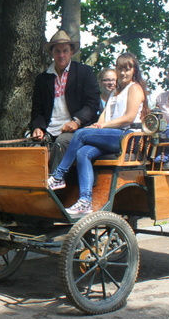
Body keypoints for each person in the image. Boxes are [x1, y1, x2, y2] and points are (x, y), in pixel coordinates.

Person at [47, 52, 149, 215]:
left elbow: (129, 117)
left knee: (80, 134)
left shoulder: (135, 88)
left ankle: (58, 176)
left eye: (127, 69)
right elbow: (105, 113)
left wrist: (103, 125)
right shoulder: (115, 92)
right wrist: (97, 124)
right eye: (120, 69)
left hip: (127, 136)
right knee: (83, 152)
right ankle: (85, 201)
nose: (123, 73)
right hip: (112, 135)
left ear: (134, 71)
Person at [28, 30, 100, 172]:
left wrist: (76, 121)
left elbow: (92, 104)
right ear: (52, 53)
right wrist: (37, 127)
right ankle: (31, 189)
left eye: (65, 51)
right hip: (49, 129)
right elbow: (37, 110)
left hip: (77, 129)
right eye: (57, 51)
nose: (61, 55)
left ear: (71, 52)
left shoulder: (85, 72)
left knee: (61, 143)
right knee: (31, 149)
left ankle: (55, 183)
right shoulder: (42, 79)